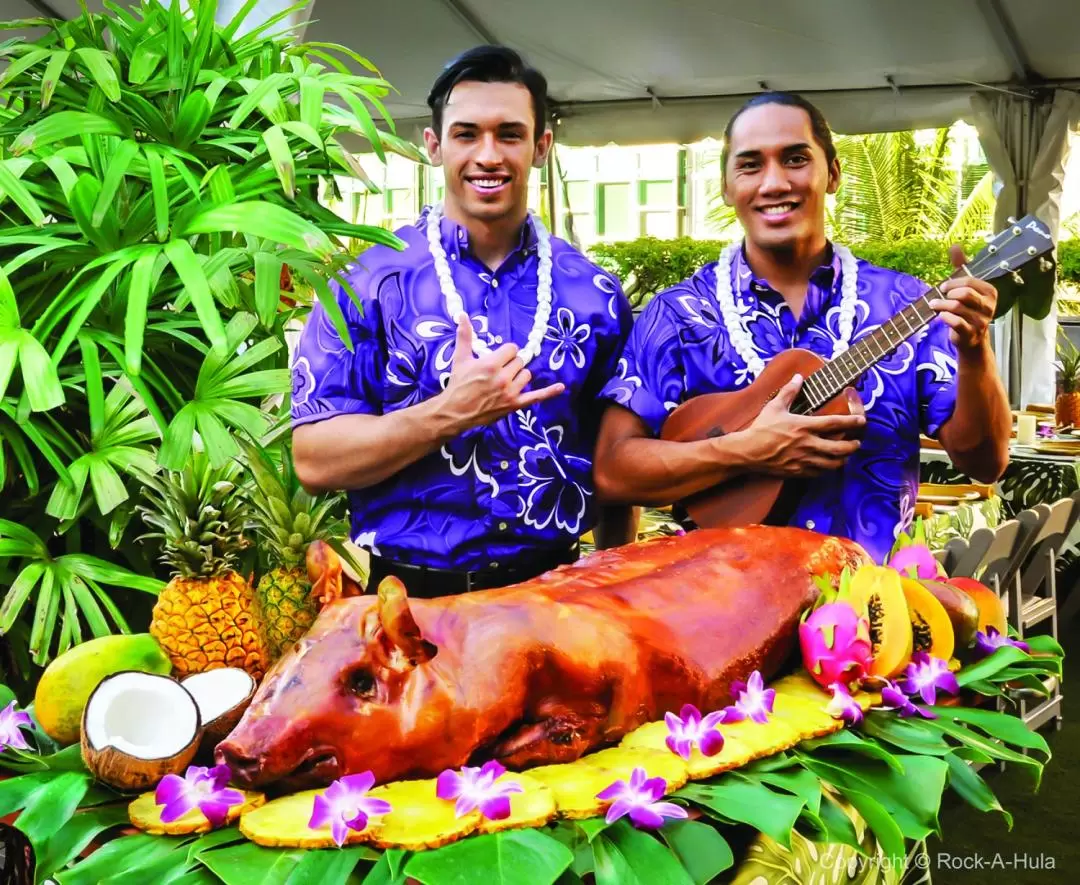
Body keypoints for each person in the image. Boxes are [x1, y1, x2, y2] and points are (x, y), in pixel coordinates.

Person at [593, 92, 1010, 564]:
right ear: (727, 187)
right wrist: (744, 452)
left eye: (795, 159)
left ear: (832, 174)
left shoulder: (907, 304)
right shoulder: (679, 314)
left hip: (870, 615)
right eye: (750, 165)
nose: (773, 183)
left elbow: (985, 464)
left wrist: (975, 350)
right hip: (716, 618)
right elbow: (614, 472)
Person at [290, 45, 635, 596]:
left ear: (542, 146)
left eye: (510, 134)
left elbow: (618, 463)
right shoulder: (366, 279)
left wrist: (620, 591)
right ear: (434, 145)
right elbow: (314, 459)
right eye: (467, 134)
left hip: (559, 600)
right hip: (413, 606)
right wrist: (448, 414)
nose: (488, 154)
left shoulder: (594, 293)